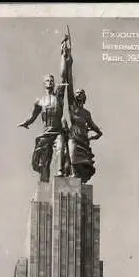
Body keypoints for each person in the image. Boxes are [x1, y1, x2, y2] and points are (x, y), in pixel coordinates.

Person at [18, 37, 69, 183]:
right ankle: (44, 181)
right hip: (46, 134)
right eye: (47, 80)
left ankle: (60, 173)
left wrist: (63, 56)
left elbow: (63, 75)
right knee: (44, 161)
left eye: (52, 80)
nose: (50, 82)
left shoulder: (58, 96)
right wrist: (26, 123)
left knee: (60, 148)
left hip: (57, 131)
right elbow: (33, 116)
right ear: (44, 83)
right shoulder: (39, 101)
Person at [63, 43, 102, 183]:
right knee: (72, 155)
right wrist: (69, 63)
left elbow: (98, 130)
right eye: (77, 93)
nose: (78, 94)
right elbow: (70, 84)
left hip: (84, 139)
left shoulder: (86, 113)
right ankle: (73, 174)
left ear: (84, 97)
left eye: (81, 93)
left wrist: (93, 136)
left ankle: (77, 177)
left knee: (82, 162)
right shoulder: (72, 106)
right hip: (74, 136)